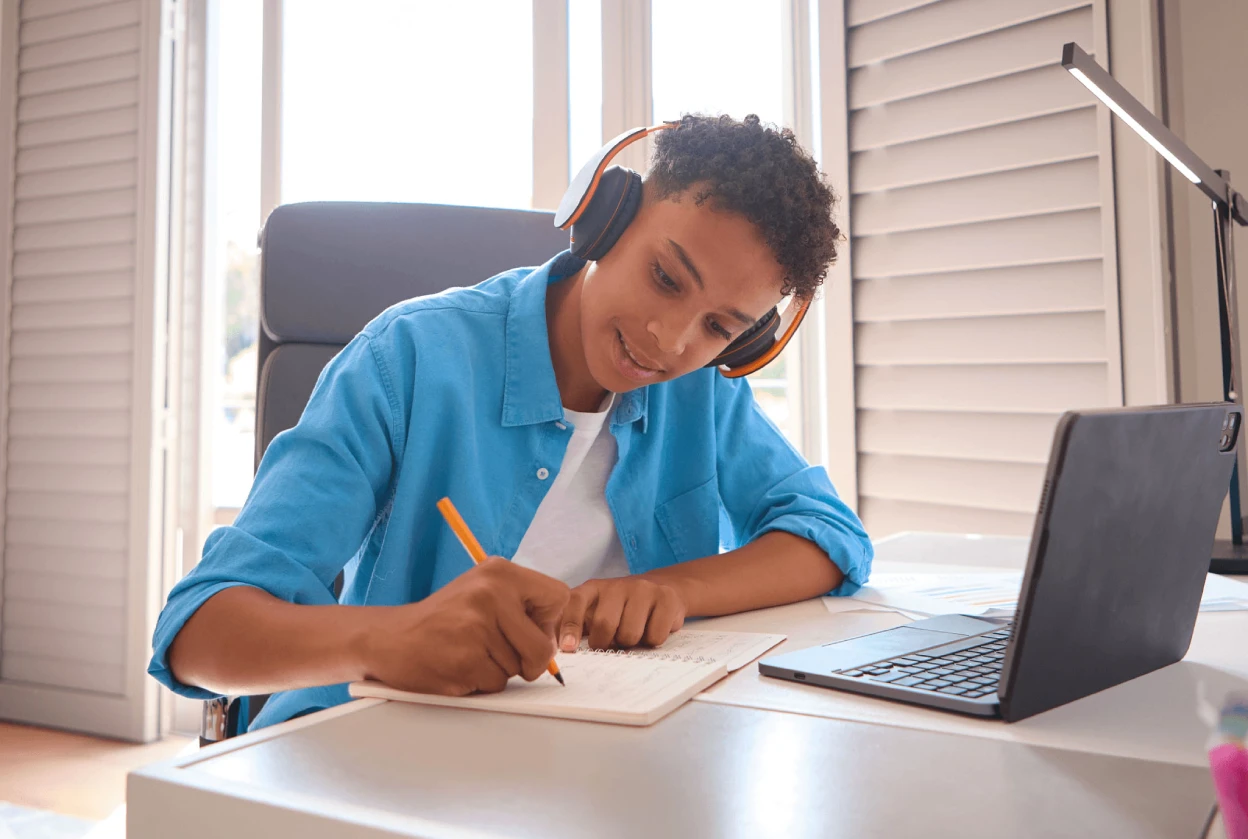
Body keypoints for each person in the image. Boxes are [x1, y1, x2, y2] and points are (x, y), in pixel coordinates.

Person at [150, 113, 872, 731]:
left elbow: (829, 536)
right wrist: (393, 635)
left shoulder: (700, 392)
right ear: (607, 217)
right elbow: (197, 633)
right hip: (373, 753)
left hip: (593, 759)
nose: (670, 339)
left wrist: (676, 589)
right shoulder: (410, 358)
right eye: (665, 276)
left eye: (719, 326)